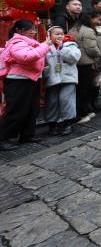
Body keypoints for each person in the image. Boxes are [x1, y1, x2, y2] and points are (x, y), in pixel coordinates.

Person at [0, 20, 51, 150]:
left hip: (30, 80)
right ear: (19, 31)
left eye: (34, 29)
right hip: (18, 81)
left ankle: (27, 135)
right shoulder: (17, 43)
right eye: (31, 30)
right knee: (16, 110)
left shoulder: (29, 42)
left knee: (32, 109)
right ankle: (5, 138)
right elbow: (26, 57)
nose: (34, 32)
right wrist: (45, 45)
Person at [70, 11, 101, 124]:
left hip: (75, 62)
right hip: (85, 63)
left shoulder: (74, 28)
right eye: (97, 19)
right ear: (90, 18)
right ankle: (80, 114)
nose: (99, 22)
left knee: (79, 89)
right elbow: (92, 50)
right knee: (83, 90)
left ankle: (83, 111)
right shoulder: (88, 31)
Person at [43, 26, 81, 136]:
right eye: (56, 34)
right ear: (49, 36)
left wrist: (62, 48)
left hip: (68, 77)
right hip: (52, 77)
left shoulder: (71, 45)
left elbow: (74, 58)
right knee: (52, 101)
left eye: (61, 33)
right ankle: (52, 125)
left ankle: (67, 124)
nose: (60, 36)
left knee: (66, 99)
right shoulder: (45, 46)